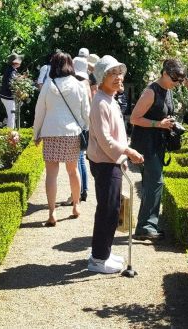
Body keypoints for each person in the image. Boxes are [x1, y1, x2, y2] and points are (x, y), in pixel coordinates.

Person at [86, 55, 144, 274]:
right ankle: (98, 259)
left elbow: (114, 136)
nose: (119, 77)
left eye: (120, 73)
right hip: (105, 163)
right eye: (112, 73)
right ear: (101, 78)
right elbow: (105, 139)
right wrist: (127, 152)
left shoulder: (108, 98)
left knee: (110, 209)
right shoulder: (100, 101)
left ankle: (104, 253)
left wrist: (121, 158)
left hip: (111, 161)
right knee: (108, 210)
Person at [129, 58, 186, 241]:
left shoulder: (167, 89)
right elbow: (134, 119)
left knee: (152, 184)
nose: (177, 84)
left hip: (158, 141)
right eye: (175, 79)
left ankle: (145, 226)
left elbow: (163, 114)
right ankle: (146, 226)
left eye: (179, 81)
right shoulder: (150, 92)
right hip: (146, 144)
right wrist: (158, 124)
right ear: (164, 73)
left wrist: (170, 124)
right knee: (155, 183)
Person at [33, 52, 90, 226]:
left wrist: (36, 133)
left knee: (51, 174)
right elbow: (85, 112)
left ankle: (52, 213)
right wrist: (85, 128)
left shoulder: (48, 85)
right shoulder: (79, 85)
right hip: (72, 133)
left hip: (51, 132)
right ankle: (76, 205)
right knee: (73, 171)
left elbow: (39, 112)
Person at [69, 56, 92, 203]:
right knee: (81, 159)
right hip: (84, 125)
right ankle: (84, 190)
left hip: (75, 126)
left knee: (76, 161)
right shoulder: (86, 83)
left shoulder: (73, 84)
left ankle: (75, 194)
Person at [0, 54, 22, 130]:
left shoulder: (11, 70)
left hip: (6, 96)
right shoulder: (11, 71)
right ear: (14, 62)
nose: (20, 62)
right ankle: (10, 133)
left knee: (12, 114)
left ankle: (10, 130)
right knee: (12, 114)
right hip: (7, 96)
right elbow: (10, 84)